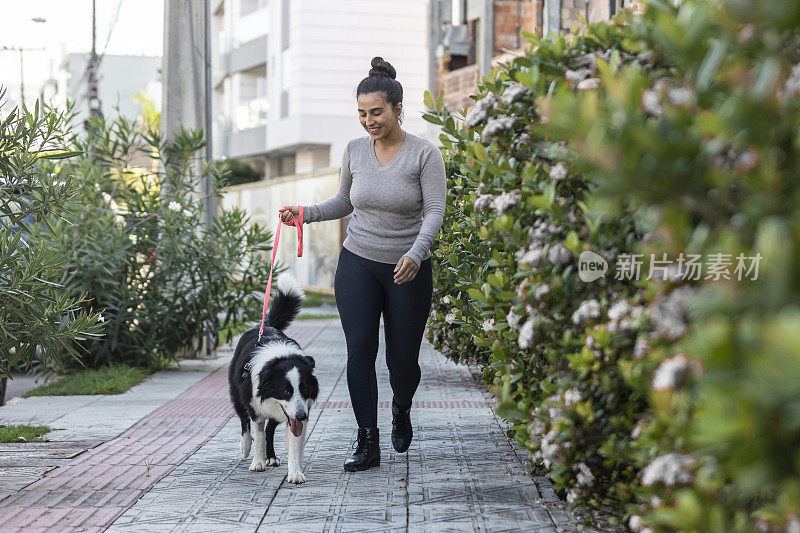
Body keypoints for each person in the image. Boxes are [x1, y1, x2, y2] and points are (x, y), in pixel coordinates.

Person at [280, 57, 446, 472]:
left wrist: (416, 252)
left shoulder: (424, 154)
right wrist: (305, 212)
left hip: (408, 266)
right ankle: (367, 441)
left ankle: (401, 409)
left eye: (376, 112)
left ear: (396, 109)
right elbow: (343, 202)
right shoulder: (355, 150)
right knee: (360, 352)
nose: (369, 121)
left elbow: (435, 212)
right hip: (358, 261)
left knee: (403, 361)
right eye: (362, 113)